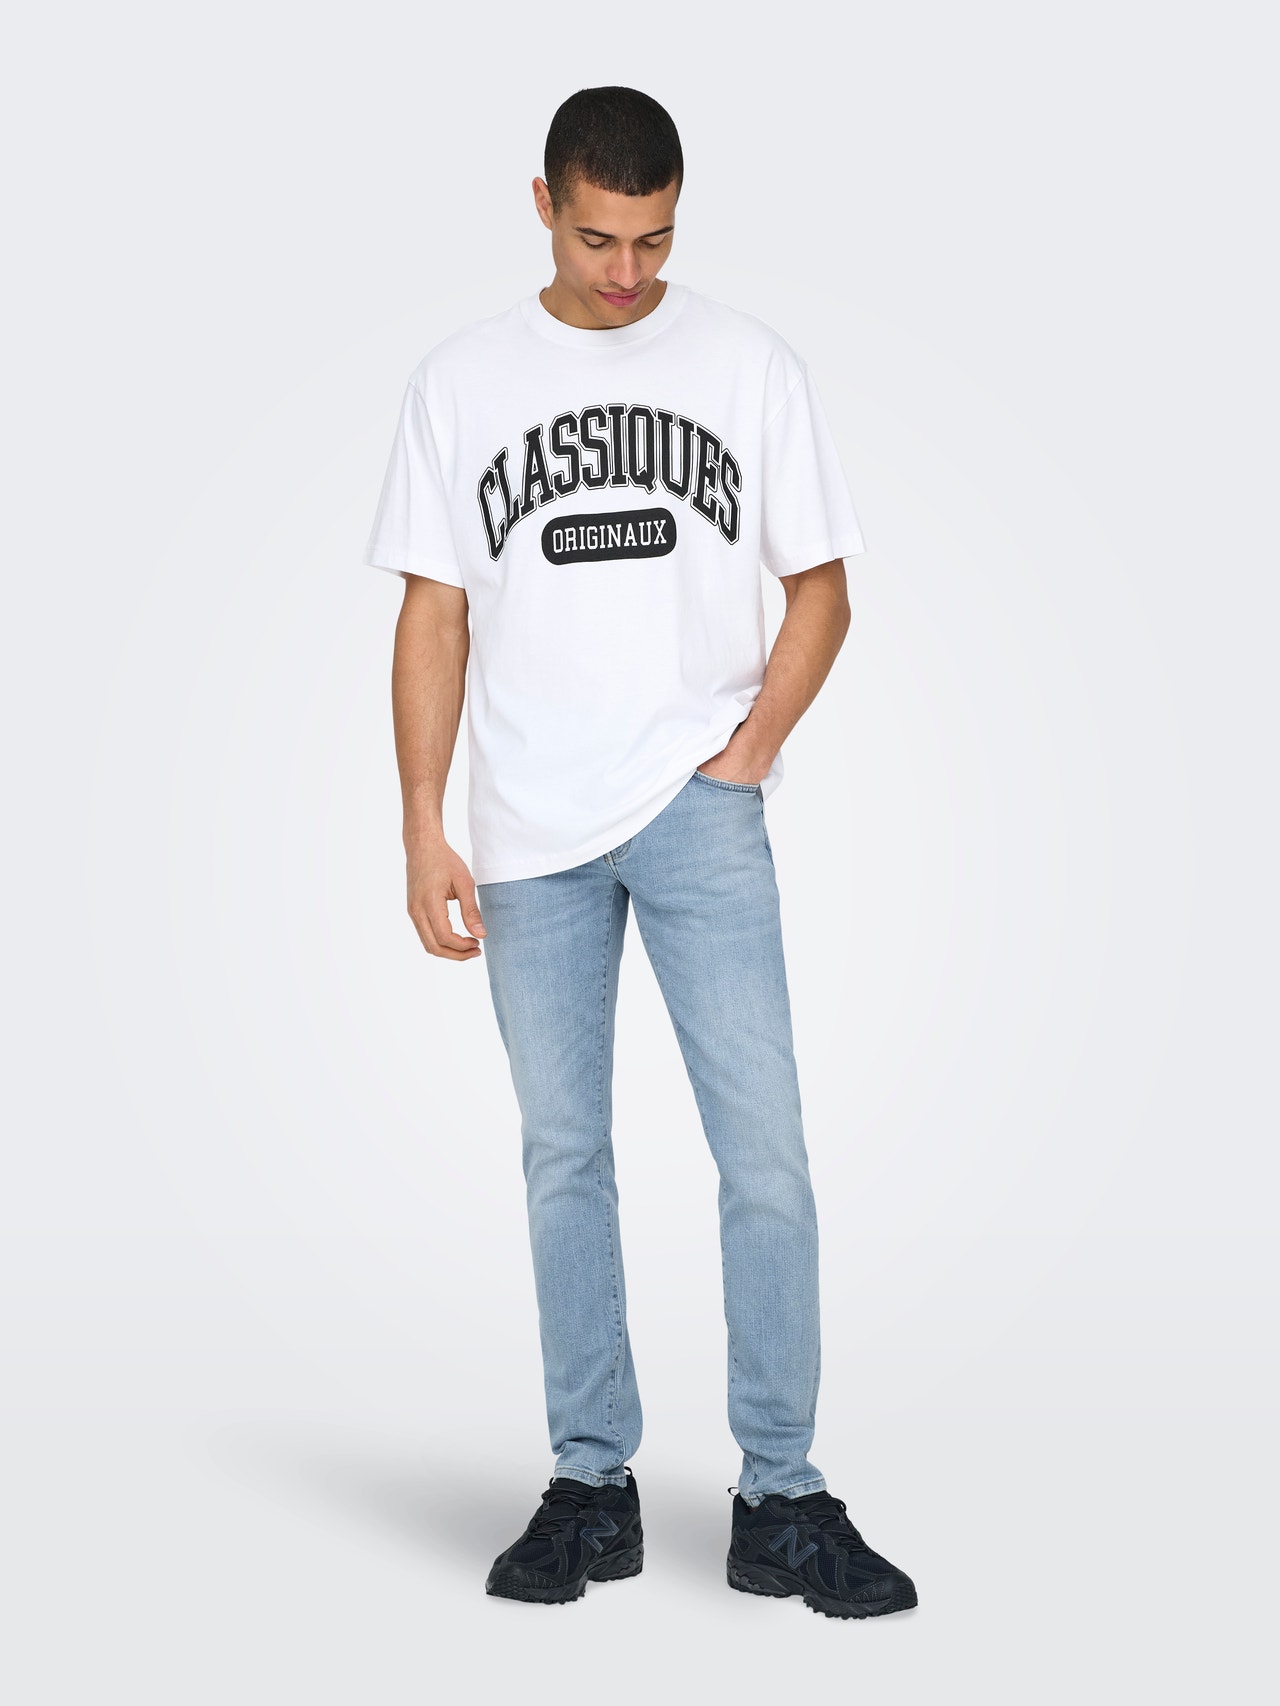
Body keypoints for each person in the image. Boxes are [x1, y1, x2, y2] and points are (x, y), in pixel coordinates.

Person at [362, 86, 917, 1621]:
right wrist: (422, 819)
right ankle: (590, 1483)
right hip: (528, 829)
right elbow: (433, 612)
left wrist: (744, 753)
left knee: (767, 1155)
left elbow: (823, 586)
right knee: (565, 1157)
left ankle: (782, 1494)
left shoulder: (747, 365)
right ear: (542, 202)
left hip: (695, 807)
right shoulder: (460, 383)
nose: (627, 272)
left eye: (656, 240)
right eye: (601, 238)